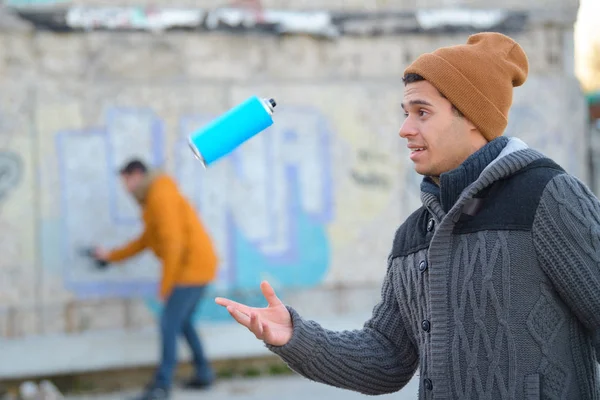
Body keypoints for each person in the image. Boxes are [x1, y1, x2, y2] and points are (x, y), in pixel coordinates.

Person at [215, 32, 600, 399]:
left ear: (471, 117)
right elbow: (385, 358)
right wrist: (295, 336)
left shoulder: (546, 196)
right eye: (405, 113)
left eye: (422, 112)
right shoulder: (414, 234)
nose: (404, 129)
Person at [94, 159, 219, 400]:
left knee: (168, 323)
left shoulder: (159, 194)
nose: (125, 187)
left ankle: (162, 386)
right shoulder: (153, 197)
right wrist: (110, 256)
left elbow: (173, 243)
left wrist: (166, 285)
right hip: (198, 265)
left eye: (126, 180)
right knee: (182, 323)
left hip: (190, 268)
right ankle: (203, 373)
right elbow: (146, 240)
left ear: (138, 174)